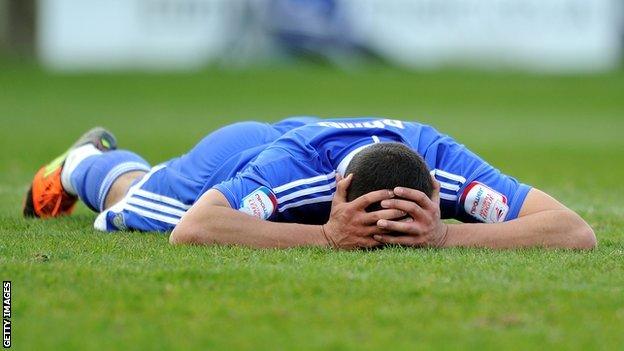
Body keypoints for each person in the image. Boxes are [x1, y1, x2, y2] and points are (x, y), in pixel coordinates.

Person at [24, 117, 596, 250]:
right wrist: (326, 237)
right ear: (340, 194)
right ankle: (84, 160)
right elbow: (195, 231)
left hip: (308, 143)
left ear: (438, 194)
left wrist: (445, 236)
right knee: (139, 203)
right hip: (243, 152)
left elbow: (575, 232)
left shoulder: (446, 164)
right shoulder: (298, 175)